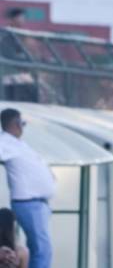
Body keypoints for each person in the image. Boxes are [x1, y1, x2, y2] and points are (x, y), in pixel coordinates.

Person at [0, 109, 56, 268]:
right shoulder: (5, 142)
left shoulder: (17, 143)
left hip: (38, 202)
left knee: (39, 247)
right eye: (22, 123)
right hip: (28, 202)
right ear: (17, 124)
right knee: (42, 249)